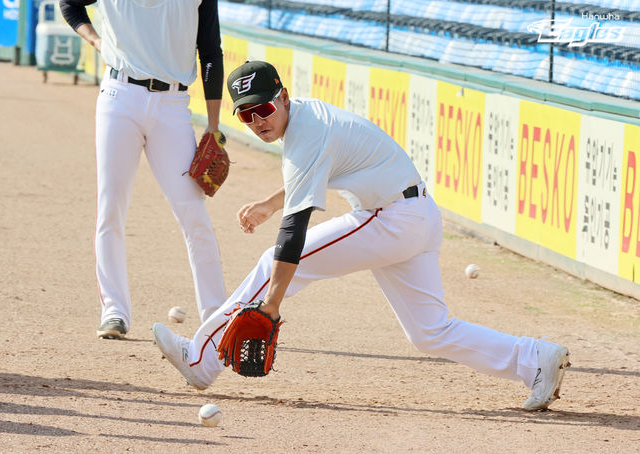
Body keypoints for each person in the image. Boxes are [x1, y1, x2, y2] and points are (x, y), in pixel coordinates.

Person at [152, 61, 571, 411]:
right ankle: (534, 358)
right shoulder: (308, 119)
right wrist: (270, 203)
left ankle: (200, 360)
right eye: (246, 114)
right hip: (416, 213)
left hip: (390, 218)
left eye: (262, 108)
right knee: (429, 331)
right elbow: (316, 171)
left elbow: (294, 233)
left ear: (281, 96)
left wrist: (272, 305)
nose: (257, 121)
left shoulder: (306, 132)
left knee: (271, 266)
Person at [60, 0, 227, 339]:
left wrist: (213, 126)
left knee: (193, 213)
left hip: (173, 106)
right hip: (119, 97)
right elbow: (69, 5)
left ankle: (217, 317)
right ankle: (114, 311)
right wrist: (95, 40)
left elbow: (210, 52)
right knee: (111, 209)